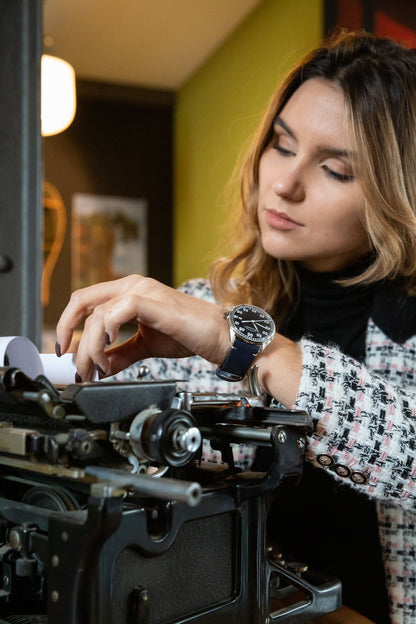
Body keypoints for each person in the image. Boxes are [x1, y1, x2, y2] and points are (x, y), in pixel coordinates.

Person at [56, 30, 416, 624]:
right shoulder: (204, 307)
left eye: (333, 169)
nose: (283, 183)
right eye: (281, 143)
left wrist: (244, 346)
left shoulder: (220, 326)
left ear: (396, 192)